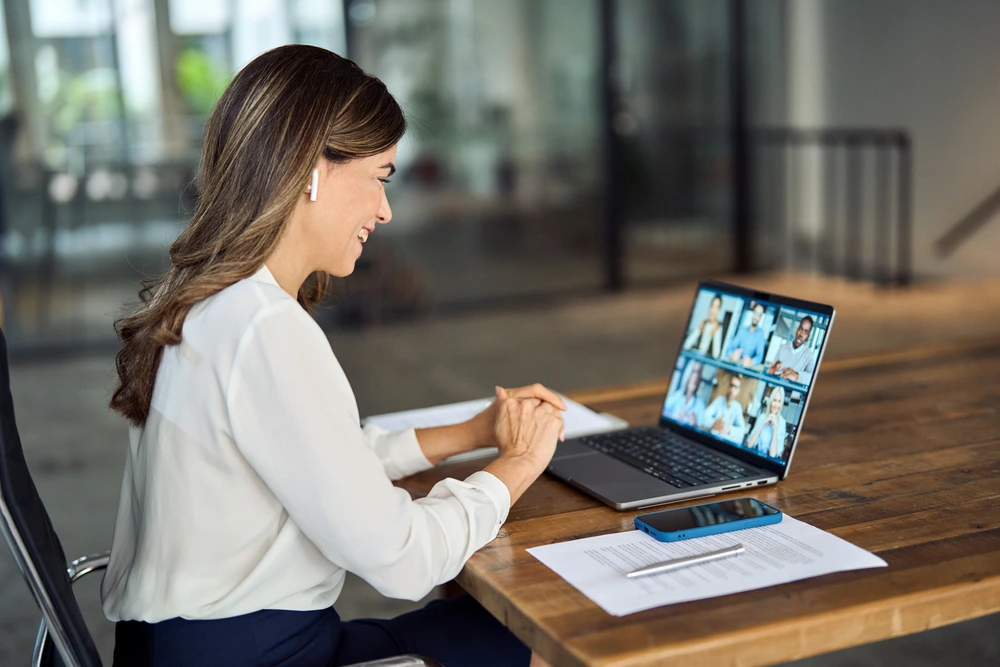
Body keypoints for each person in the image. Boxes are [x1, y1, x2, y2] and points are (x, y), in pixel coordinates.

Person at [102, 45, 560, 667]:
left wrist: (472, 432)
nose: (385, 210)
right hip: (258, 655)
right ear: (310, 167)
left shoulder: (209, 305)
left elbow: (318, 456)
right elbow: (403, 559)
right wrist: (519, 464)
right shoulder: (262, 326)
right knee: (537, 643)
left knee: (477, 630)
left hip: (198, 646)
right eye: (379, 176)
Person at [767, 315, 817, 384]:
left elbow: (813, 377)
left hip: (793, 393)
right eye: (800, 329)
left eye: (805, 332)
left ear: (808, 337)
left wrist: (797, 376)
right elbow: (771, 369)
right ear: (797, 330)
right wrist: (772, 370)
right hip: (776, 390)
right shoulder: (783, 347)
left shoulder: (808, 354)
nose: (801, 334)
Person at [701, 375, 746, 444]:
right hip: (711, 441)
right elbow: (704, 417)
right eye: (731, 385)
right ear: (728, 386)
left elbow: (742, 431)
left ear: (738, 391)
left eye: (735, 387)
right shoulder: (719, 400)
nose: (732, 390)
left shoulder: (737, 407)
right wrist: (714, 423)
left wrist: (729, 429)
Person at [746, 386, 788, 458]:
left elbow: (772, 454)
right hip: (754, 457)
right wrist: (762, 423)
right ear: (771, 401)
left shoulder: (782, 422)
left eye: (779, 401)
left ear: (781, 404)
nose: (776, 405)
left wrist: (775, 427)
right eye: (774, 400)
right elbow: (749, 445)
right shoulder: (762, 417)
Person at [663, 360, 705, 427]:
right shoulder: (677, 395)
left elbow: (701, 429)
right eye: (693, 372)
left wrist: (694, 425)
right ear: (688, 374)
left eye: (698, 373)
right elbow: (662, 412)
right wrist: (674, 416)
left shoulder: (700, 405)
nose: (695, 377)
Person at [726, 303, 767, 367]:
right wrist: (732, 354)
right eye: (756, 313)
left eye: (759, 315)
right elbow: (730, 348)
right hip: (735, 365)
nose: (756, 317)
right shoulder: (743, 330)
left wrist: (751, 361)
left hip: (747, 369)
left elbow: (760, 356)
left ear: (761, 317)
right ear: (753, 313)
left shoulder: (760, 334)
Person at [684, 293, 724, 358]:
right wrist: (699, 330)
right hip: (695, 359)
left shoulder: (718, 327)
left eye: (716, 307)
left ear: (719, 310)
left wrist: (715, 333)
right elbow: (686, 345)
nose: (713, 310)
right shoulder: (704, 323)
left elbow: (716, 355)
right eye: (712, 306)